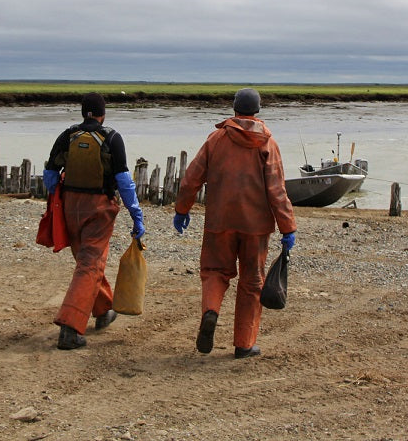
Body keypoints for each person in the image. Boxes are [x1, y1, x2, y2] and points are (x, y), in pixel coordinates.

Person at [173, 88, 297, 359]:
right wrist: (288, 227)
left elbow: (191, 179)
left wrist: (182, 209)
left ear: (234, 108)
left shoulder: (216, 139)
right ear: (258, 110)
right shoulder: (268, 144)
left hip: (220, 221)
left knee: (214, 271)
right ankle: (244, 344)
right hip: (256, 226)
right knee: (252, 282)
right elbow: (277, 191)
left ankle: (211, 311)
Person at [43, 92, 145, 350]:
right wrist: (136, 215)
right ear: (103, 114)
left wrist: (59, 203)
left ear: (82, 112)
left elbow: (50, 175)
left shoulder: (67, 136)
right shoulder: (112, 138)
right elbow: (124, 181)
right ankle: (70, 328)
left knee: (86, 261)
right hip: (99, 209)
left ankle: (104, 310)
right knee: (89, 264)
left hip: (70, 207)